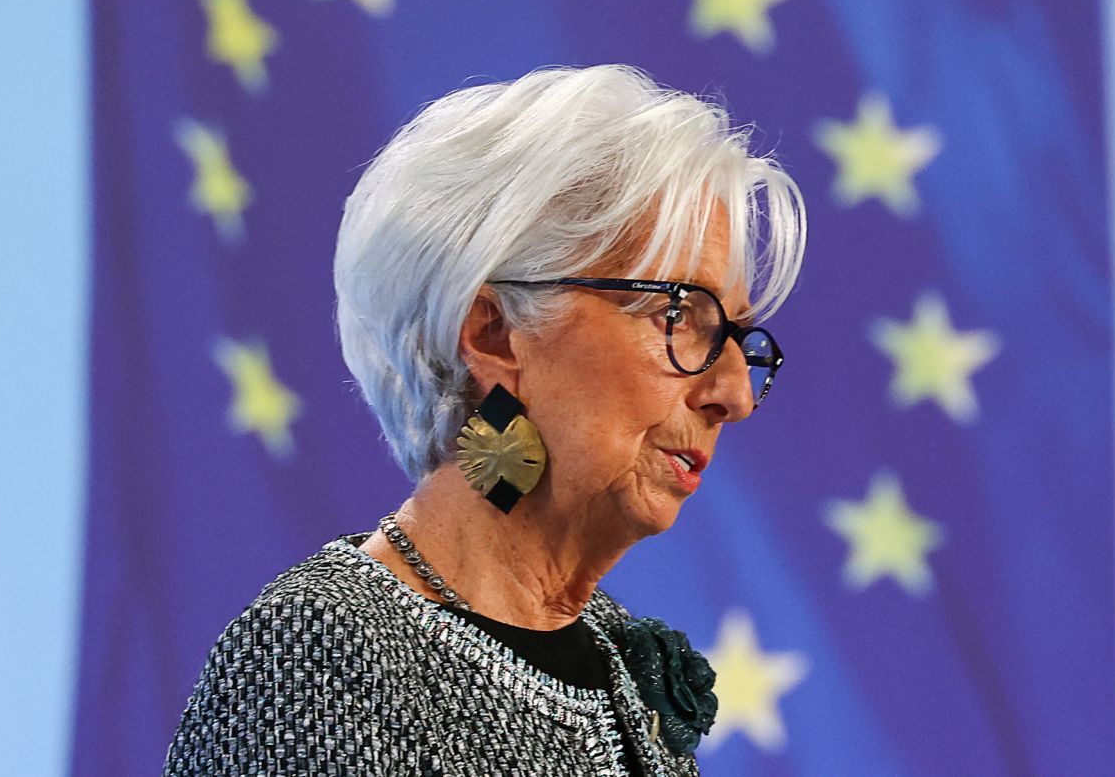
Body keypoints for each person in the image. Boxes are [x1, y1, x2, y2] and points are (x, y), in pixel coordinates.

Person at [163, 64, 807, 776]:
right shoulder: (320, 653)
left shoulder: (621, 662)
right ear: (494, 334)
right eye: (680, 316)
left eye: (738, 340)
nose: (734, 394)